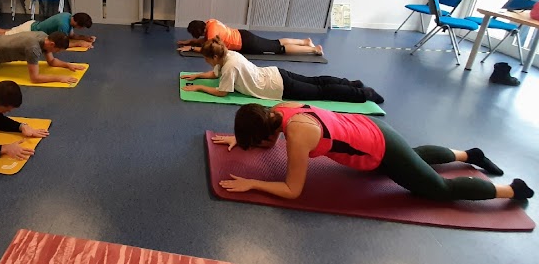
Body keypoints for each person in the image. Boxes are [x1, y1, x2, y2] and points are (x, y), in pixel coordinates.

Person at [211, 102, 534, 202]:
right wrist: (240, 138)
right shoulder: (278, 111)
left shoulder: (298, 135)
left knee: (437, 189)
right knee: (412, 156)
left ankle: (512, 190)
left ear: (266, 134)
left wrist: (252, 183)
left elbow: (292, 190)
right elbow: (265, 131)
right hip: (370, 130)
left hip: (379, 150)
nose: (259, 149)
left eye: (256, 143)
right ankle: (469, 155)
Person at [181, 37, 384, 104]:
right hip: (276, 73)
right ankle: (352, 83)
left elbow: (222, 91)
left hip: (278, 87)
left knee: (321, 92)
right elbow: (215, 74)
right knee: (316, 81)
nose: (206, 63)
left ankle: (363, 94)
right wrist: (199, 75)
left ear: (215, 57)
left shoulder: (230, 67)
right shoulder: (228, 55)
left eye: (206, 59)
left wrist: (199, 87)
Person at [177, 19, 322, 56]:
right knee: (274, 42)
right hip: (243, 34)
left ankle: (314, 50)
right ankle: (305, 42)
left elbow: (208, 49)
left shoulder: (210, 34)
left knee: (278, 48)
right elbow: (206, 39)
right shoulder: (210, 23)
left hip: (246, 44)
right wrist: (191, 41)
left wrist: (191, 47)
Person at [0, 12, 96, 49]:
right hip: (29, 31)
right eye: (82, 27)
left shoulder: (68, 16)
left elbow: (72, 35)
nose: (81, 29)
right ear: (77, 23)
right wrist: (80, 43)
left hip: (32, 25)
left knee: (4, 31)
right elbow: (64, 42)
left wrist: (85, 38)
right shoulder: (63, 26)